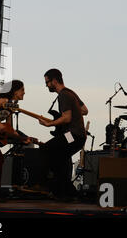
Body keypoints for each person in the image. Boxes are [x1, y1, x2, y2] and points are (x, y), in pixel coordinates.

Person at [38, 69, 88, 201]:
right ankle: (68, 192)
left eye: (47, 82)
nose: (47, 85)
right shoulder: (71, 93)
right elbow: (84, 110)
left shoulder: (63, 95)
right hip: (77, 136)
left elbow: (66, 118)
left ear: (54, 80)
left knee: (46, 149)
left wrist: (50, 124)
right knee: (61, 158)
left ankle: (58, 189)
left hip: (73, 135)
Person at [0, 80, 35, 202]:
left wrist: (23, 138)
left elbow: (9, 129)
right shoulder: (4, 100)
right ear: (15, 91)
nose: (24, 92)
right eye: (22, 90)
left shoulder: (11, 107)